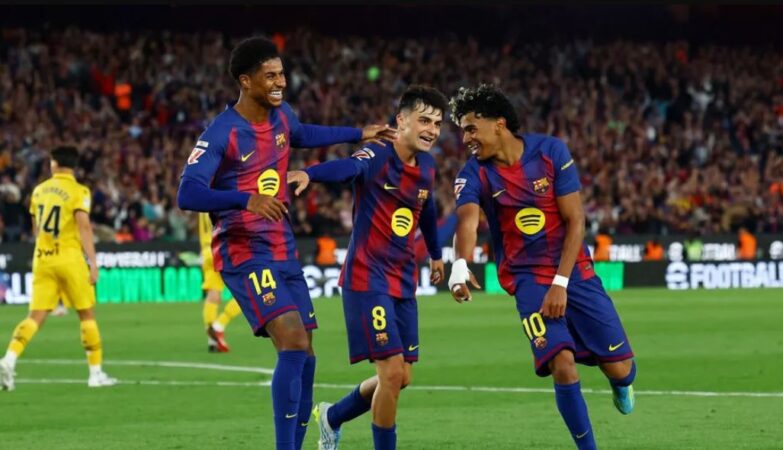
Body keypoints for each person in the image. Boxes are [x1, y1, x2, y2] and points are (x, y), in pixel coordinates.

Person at [176, 36, 396, 450]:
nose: (280, 82)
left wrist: (358, 133)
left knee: (307, 352)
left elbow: (303, 133)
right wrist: (246, 199)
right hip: (244, 250)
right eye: (270, 76)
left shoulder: (282, 115)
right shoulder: (222, 132)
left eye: (281, 74)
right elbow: (187, 193)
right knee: (293, 340)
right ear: (245, 81)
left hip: (283, 247)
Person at [446, 84, 636, 450]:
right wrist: (460, 265)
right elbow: (467, 220)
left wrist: (561, 282)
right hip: (527, 278)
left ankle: (621, 383)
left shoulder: (550, 152)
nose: (465, 138)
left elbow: (576, 220)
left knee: (621, 369)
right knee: (561, 362)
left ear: (499, 124)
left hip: (574, 270)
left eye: (471, 128)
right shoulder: (473, 173)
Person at [288, 85, 447, 450]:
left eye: (437, 124)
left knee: (402, 376)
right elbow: (349, 167)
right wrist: (310, 173)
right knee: (390, 372)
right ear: (401, 121)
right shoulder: (377, 153)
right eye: (424, 120)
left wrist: (436, 254)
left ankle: (332, 416)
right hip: (367, 277)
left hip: (403, 280)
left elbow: (426, 209)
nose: (432, 130)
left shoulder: (427, 166)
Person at [0, 146, 117, 391]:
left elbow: (36, 229)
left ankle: (8, 360)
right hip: (70, 258)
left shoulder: (39, 190)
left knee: (35, 317)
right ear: (74, 165)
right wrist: (93, 262)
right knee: (86, 314)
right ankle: (95, 374)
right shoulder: (79, 191)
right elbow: (84, 227)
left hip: (43, 258)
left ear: (53, 164)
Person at [198, 212, 242, 353]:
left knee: (213, 294)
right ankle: (219, 325)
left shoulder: (202, 204)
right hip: (223, 247)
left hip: (207, 250)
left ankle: (212, 340)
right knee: (246, 290)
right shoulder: (222, 200)